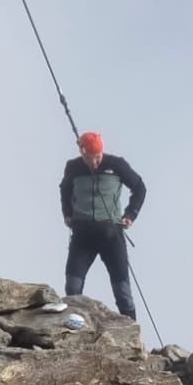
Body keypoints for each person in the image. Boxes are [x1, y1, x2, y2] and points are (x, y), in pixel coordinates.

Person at [59, 131, 146, 319]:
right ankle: (75, 329)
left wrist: (130, 214)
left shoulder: (116, 165)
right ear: (83, 153)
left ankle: (132, 331)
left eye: (98, 157)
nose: (95, 162)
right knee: (72, 287)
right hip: (82, 236)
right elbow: (64, 190)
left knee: (123, 292)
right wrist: (67, 214)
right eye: (91, 158)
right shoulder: (73, 167)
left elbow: (139, 187)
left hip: (111, 235)